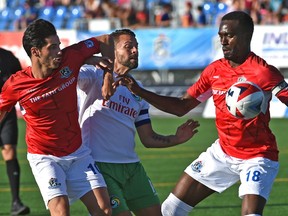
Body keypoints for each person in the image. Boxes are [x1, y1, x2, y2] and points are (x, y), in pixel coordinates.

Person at [119, 11, 288, 216]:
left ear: (245, 37)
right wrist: (140, 91)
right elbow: (181, 107)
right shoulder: (214, 71)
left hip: (258, 156)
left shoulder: (263, 72)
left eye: (229, 36)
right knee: (169, 211)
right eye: (221, 36)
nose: (223, 41)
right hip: (221, 154)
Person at [77, 29, 200, 216]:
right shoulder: (93, 75)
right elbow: (64, 66)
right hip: (100, 166)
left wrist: (176, 138)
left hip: (133, 168)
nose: (135, 50)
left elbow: (148, 138)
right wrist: (97, 64)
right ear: (113, 51)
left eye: (136, 46)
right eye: (128, 46)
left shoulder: (138, 91)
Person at [0, 18, 115, 216]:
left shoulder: (70, 58)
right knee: (61, 211)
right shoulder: (15, 85)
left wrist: (108, 77)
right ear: (36, 52)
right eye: (52, 48)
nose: (59, 51)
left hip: (78, 152)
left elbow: (106, 39)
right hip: (45, 157)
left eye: (59, 45)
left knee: (104, 209)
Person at [0, 48, 30, 215]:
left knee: (9, 152)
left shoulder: (8, 57)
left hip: (7, 113)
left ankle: (16, 202)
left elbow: (21, 81)